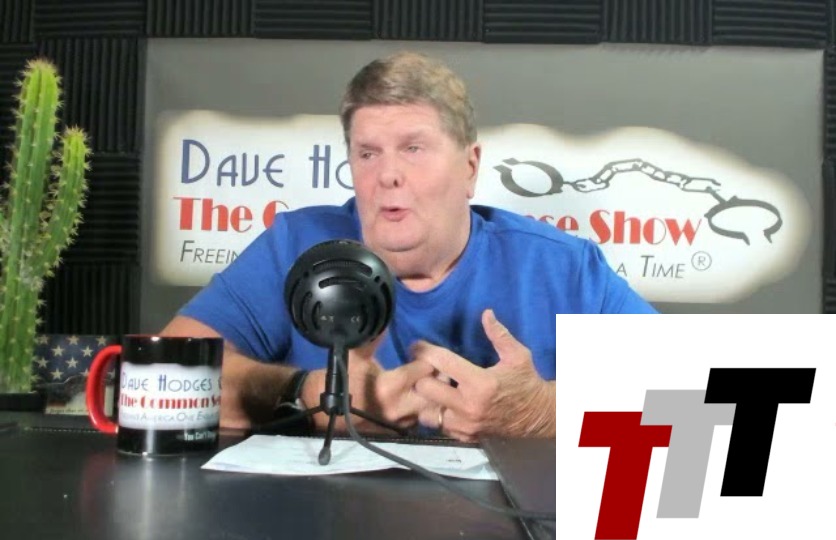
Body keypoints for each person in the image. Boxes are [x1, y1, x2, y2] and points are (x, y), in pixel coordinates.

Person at [161, 51, 656, 442]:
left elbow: (690, 401)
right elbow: (165, 376)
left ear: (470, 167)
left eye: (413, 148)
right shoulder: (297, 247)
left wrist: (542, 412)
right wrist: (306, 395)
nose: (388, 175)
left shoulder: (563, 268)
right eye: (368, 153)